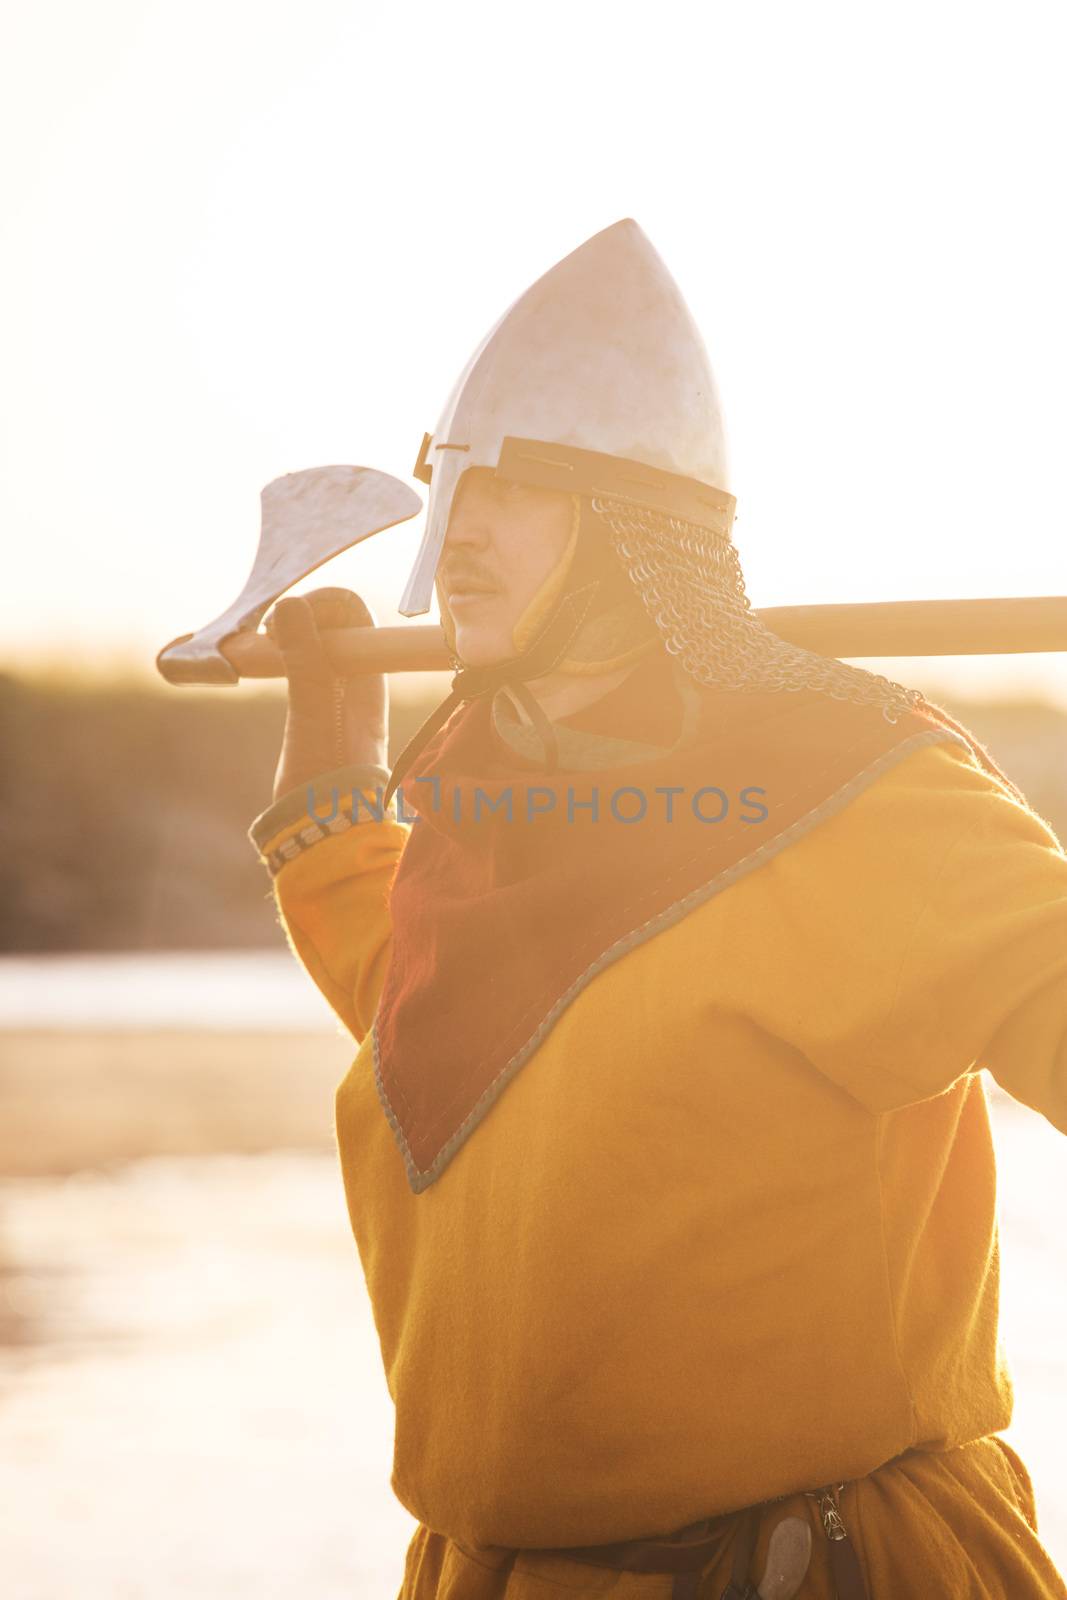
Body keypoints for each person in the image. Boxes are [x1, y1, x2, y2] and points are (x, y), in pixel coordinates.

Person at [248, 220, 1067, 1598]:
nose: (463, 531)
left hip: (812, 1567)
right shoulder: (486, 797)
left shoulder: (854, 796)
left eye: (522, 489)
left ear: (640, 525)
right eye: (456, 485)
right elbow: (451, 1025)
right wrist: (336, 761)